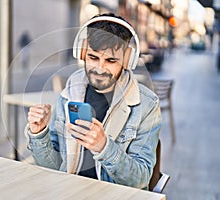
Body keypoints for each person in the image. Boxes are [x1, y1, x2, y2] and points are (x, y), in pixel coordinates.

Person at [25, 13, 162, 190]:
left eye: (111, 60)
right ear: (82, 53)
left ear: (127, 60)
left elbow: (141, 179)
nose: (99, 68)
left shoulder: (147, 105)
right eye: (93, 58)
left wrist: (104, 147)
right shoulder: (68, 95)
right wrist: (39, 134)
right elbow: (54, 168)